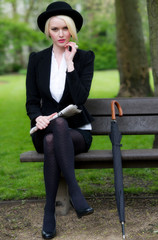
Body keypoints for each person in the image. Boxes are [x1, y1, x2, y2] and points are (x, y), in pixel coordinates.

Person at [26, 1, 95, 239]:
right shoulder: (37, 59)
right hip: (46, 130)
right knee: (53, 132)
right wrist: (38, 117)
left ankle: (49, 211)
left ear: (72, 30)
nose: (61, 34)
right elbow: (32, 101)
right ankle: (76, 194)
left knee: (57, 132)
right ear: (48, 31)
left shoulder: (84, 57)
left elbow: (80, 98)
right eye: (55, 29)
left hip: (78, 132)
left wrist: (69, 64)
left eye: (65, 28)